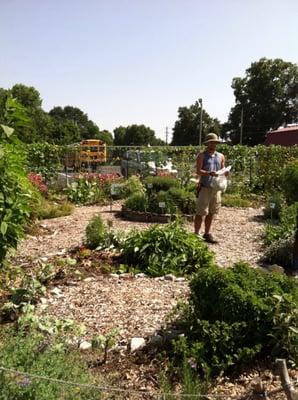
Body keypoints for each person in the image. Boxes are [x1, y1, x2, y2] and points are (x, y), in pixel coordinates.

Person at [194, 133, 228, 243]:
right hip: (205, 187)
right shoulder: (202, 155)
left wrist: (226, 172)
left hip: (216, 188)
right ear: (207, 143)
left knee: (211, 212)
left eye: (215, 142)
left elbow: (223, 170)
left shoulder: (221, 156)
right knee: (200, 212)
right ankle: (196, 234)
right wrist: (209, 173)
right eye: (211, 142)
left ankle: (207, 233)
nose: (213, 144)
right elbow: (198, 171)